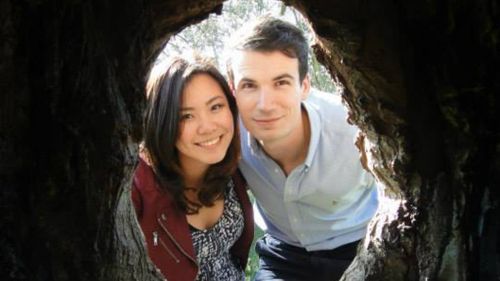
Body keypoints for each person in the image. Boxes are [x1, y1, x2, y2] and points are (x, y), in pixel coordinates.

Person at [226, 17, 379, 280]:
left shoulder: (354, 128)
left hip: (359, 247)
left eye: (281, 83)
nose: (265, 104)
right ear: (233, 91)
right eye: (249, 85)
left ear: (304, 86)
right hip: (284, 256)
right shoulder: (225, 133)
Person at [131, 55, 254, 281]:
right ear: (162, 122)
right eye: (186, 116)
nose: (207, 127)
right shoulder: (138, 187)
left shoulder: (233, 167)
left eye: (216, 106)